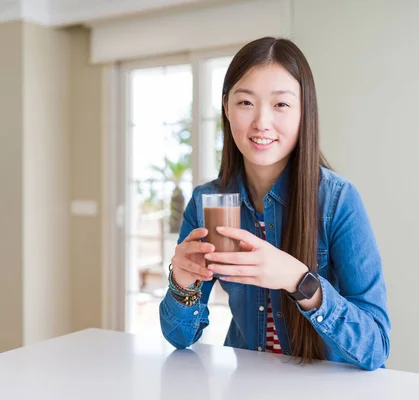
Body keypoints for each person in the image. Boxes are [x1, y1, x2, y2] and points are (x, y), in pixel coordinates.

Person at [159, 36, 391, 371]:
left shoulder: (338, 200)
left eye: (280, 105)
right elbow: (181, 338)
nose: (261, 122)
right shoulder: (205, 202)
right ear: (226, 107)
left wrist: (300, 281)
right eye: (245, 103)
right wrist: (182, 282)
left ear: (303, 111)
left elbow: (376, 347)